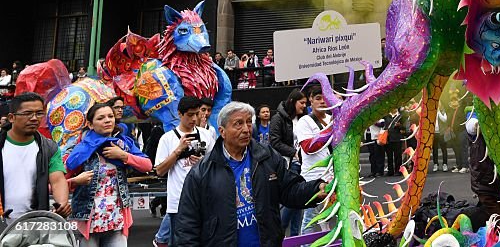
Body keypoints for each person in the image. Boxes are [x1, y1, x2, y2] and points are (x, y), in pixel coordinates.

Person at [176, 101, 326, 246]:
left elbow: (289, 190)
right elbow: (186, 225)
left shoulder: (267, 157)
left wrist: (316, 189)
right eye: (238, 124)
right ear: (222, 131)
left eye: (248, 122)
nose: (246, 129)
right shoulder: (202, 172)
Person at [66, 102, 153, 246]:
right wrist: (76, 181)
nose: (107, 120)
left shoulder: (124, 144)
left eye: (110, 116)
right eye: (101, 118)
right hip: (87, 220)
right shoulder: (81, 148)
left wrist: (123, 155)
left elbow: (147, 165)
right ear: (90, 124)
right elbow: (61, 181)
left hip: (116, 220)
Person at [0, 92, 70, 219]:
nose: (34, 118)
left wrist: (62, 204)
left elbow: (58, 180)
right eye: (27, 113)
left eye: (39, 113)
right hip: (3, 222)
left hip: (36, 224)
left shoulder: (49, 148)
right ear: (11, 117)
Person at [154, 96, 215, 242]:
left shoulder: (206, 134)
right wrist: (178, 151)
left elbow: (217, 164)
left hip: (204, 200)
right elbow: (160, 171)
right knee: (181, 242)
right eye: (189, 114)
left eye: (197, 113)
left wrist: (203, 162)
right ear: (180, 114)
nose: (194, 118)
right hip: (178, 203)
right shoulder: (168, 138)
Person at [294, 84, 333, 234]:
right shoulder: (305, 121)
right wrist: (332, 129)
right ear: (311, 100)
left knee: (331, 216)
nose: (322, 102)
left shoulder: (332, 118)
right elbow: (308, 147)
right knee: (310, 218)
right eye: (318, 98)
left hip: (333, 176)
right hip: (313, 179)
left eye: (325, 98)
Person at [270, 89, 307, 237]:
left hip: (302, 164)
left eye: (306, 103)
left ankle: (295, 237)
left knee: (299, 202)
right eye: (302, 103)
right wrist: (294, 152)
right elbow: (274, 141)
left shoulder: (304, 119)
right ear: (292, 101)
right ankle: (279, 232)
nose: (304, 106)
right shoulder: (278, 118)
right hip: (287, 164)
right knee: (293, 201)